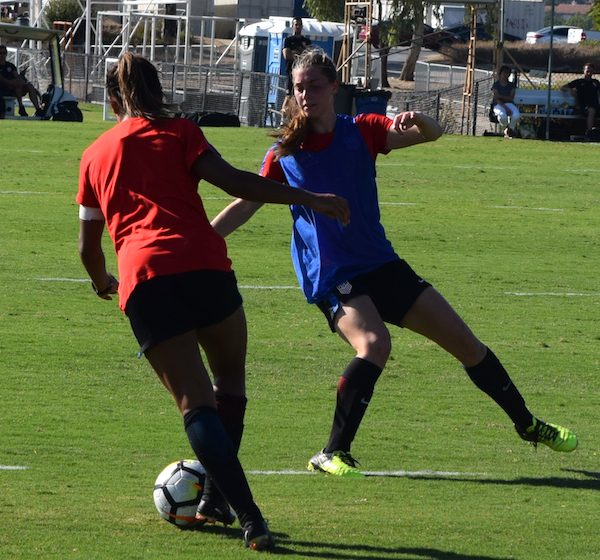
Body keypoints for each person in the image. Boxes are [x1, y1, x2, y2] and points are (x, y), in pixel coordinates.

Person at [210, 48, 578, 479]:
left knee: (466, 344)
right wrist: (202, 241)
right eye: (298, 88)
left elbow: (433, 133)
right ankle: (331, 452)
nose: (305, 94)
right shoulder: (286, 152)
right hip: (333, 274)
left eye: (313, 86)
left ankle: (527, 424)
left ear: (333, 87)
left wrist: (416, 120)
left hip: (381, 263)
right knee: (374, 344)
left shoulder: (362, 130)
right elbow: (244, 204)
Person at [76, 53, 349, 548]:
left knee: (195, 405)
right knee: (230, 386)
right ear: (158, 92)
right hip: (206, 266)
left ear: (111, 100)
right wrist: (311, 199)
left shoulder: (94, 155)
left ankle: (251, 519)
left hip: (147, 279)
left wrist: (102, 283)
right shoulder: (181, 132)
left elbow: (87, 248)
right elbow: (235, 182)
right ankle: (218, 502)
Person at [281, 17, 311, 123]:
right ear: (292, 26)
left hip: (304, 74)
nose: (298, 26)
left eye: (299, 24)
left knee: (302, 95)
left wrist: (297, 54)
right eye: (296, 24)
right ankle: (283, 120)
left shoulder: (306, 41)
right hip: (291, 73)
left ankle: (300, 119)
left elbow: (309, 56)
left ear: (302, 26)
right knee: (289, 96)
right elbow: (287, 55)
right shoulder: (288, 40)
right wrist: (299, 55)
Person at [561, 62, 600, 139]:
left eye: (591, 71)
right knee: (592, 110)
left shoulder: (595, 82)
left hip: (596, 105)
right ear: (583, 71)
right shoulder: (579, 82)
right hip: (585, 106)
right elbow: (563, 87)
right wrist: (570, 90)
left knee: (594, 109)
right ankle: (589, 132)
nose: (589, 73)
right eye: (587, 71)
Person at [0, 45, 42, 117]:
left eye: (4, 53)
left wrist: (19, 79)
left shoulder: (10, 65)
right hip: (3, 87)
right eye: (0, 53)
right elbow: (2, 79)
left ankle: (38, 108)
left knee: (28, 85)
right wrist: (11, 82)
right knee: (17, 85)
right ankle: (21, 106)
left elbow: (15, 75)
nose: (2, 55)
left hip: (14, 86)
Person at [492, 65, 520, 138]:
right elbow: (496, 98)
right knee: (502, 116)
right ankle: (507, 128)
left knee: (516, 115)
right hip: (499, 105)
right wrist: (506, 108)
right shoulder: (496, 84)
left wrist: (500, 96)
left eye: (508, 73)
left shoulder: (511, 85)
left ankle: (509, 129)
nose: (506, 75)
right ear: (500, 74)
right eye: (504, 72)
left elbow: (511, 98)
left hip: (510, 104)